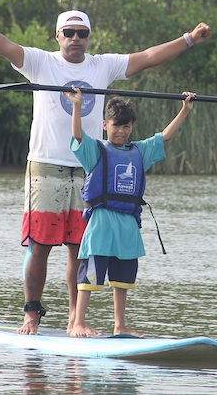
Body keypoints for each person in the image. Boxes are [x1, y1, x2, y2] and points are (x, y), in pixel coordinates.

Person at [0, 5, 211, 334]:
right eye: (69, 32)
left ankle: (76, 320)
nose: (75, 38)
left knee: (80, 247)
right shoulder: (40, 62)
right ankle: (31, 314)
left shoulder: (102, 65)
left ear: (89, 37)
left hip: (90, 167)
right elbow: (3, 45)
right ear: (58, 36)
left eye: (82, 33)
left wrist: (190, 39)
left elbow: (149, 57)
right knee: (40, 245)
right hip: (46, 164)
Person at [63, 87, 196, 337]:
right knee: (90, 275)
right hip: (101, 223)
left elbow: (165, 136)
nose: (121, 131)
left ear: (132, 127)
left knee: (122, 279)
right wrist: (77, 106)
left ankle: (120, 325)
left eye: (126, 127)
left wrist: (185, 110)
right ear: (105, 125)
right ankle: (78, 322)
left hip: (127, 225)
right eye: (116, 126)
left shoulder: (140, 152)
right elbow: (77, 136)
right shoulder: (96, 151)